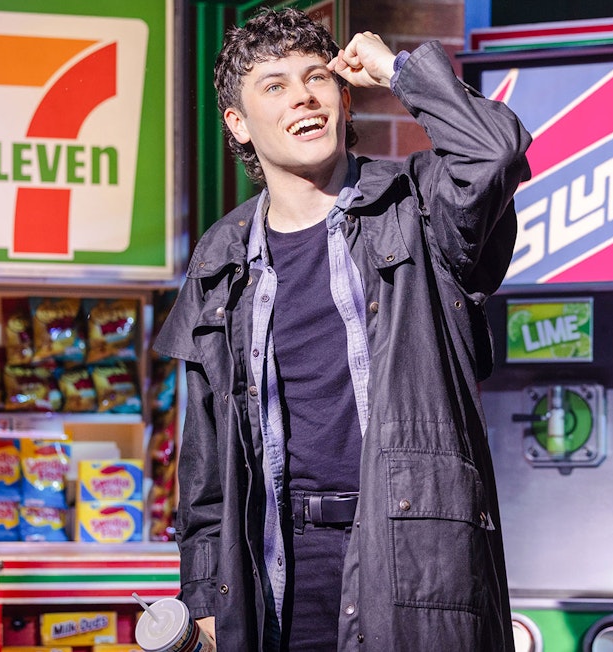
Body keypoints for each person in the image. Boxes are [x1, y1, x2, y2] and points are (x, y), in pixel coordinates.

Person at [153, 7, 531, 651]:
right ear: (238, 124)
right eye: (274, 85)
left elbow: (494, 151)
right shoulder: (223, 256)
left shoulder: (415, 207)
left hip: (415, 565)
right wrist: (205, 594)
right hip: (276, 579)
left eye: (316, 78)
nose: (302, 96)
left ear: (344, 97)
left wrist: (399, 71)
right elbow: (208, 463)